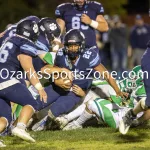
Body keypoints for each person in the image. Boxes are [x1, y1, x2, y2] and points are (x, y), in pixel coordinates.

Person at [32, 29, 128, 131]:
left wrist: (117, 91)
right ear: (65, 45)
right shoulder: (61, 54)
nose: (73, 48)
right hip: (58, 87)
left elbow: (106, 74)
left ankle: (46, 123)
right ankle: (20, 123)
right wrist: (56, 79)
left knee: (55, 111)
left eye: (76, 45)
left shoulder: (88, 56)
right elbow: (51, 69)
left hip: (75, 91)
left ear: (81, 45)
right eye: (70, 45)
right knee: (36, 103)